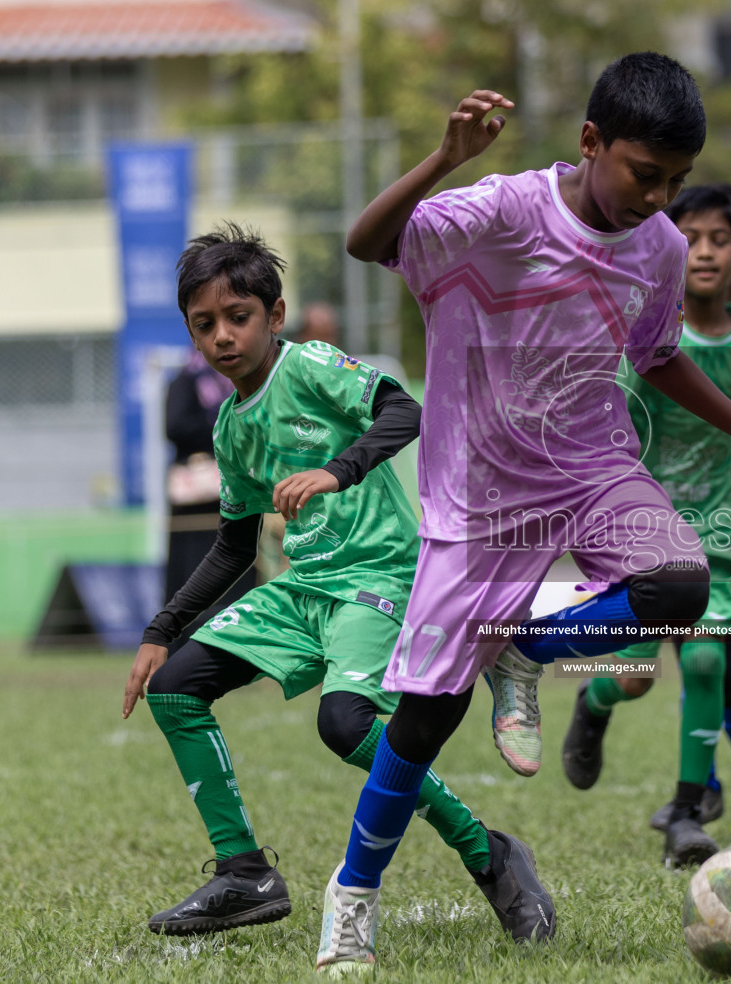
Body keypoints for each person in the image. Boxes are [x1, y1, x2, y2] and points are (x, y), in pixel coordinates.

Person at [326, 53, 731, 973]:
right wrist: (443, 159)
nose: (659, 199)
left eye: (676, 182)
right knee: (424, 721)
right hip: (478, 491)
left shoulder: (663, 246)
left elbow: (657, 353)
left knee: (677, 584)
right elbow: (368, 243)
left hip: (592, 468)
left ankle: (525, 652)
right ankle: (351, 900)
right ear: (591, 142)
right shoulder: (504, 210)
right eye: (646, 175)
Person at [120, 224, 553, 946]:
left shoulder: (312, 365)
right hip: (302, 588)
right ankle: (244, 873)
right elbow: (233, 545)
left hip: (377, 576)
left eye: (239, 316)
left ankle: (488, 852)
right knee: (174, 688)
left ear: (275, 316)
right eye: (205, 325)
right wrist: (161, 631)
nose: (223, 336)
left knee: (344, 724)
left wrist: (335, 470)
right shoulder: (230, 426)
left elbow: (403, 411)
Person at [558, 184, 731, 863]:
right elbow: (603, 421)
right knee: (635, 677)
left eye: (718, 240)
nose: (703, 252)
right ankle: (592, 704)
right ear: (667, 250)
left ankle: (685, 812)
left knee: (708, 659)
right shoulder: (643, 334)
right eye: (691, 239)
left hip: (718, 528)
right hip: (639, 526)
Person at [164, 349, 255, 624]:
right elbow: (174, 426)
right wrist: (220, 429)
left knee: (238, 572)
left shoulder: (242, 379)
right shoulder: (187, 378)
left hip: (237, 492)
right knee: (194, 573)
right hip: (196, 503)